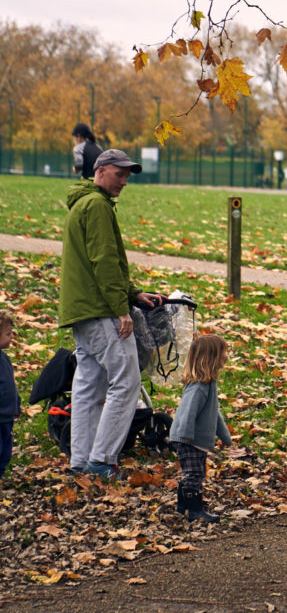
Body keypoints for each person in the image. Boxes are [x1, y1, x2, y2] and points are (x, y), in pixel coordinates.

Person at [59, 150, 165, 479]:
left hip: (81, 311)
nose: (124, 181)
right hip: (101, 310)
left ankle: (81, 462)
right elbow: (104, 262)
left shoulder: (84, 202)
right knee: (127, 381)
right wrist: (122, 310)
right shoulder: (97, 205)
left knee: (89, 387)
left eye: (127, 176)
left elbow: (105, 261)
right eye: (119, 174)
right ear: (101, 171)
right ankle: (102, 460)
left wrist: (133, 292)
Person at [168, 334, 234, 523]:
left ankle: (183, 507)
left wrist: (226, 438)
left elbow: (215, 414)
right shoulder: (198, 387)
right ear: (212, 357)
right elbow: (188, 412)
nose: (226, 356)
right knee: (195, 474)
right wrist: (186, 436)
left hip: (192, 439)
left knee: (195, 473)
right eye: (224, 352)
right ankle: (194, 511)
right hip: (188, 439)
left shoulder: (208, 384)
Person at [0, 310, 17, 480]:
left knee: (5, 449)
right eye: (7, 334)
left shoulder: (4, 358)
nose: (11, 337)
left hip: (6, 416)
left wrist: (16, 404)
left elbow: (10, 384)